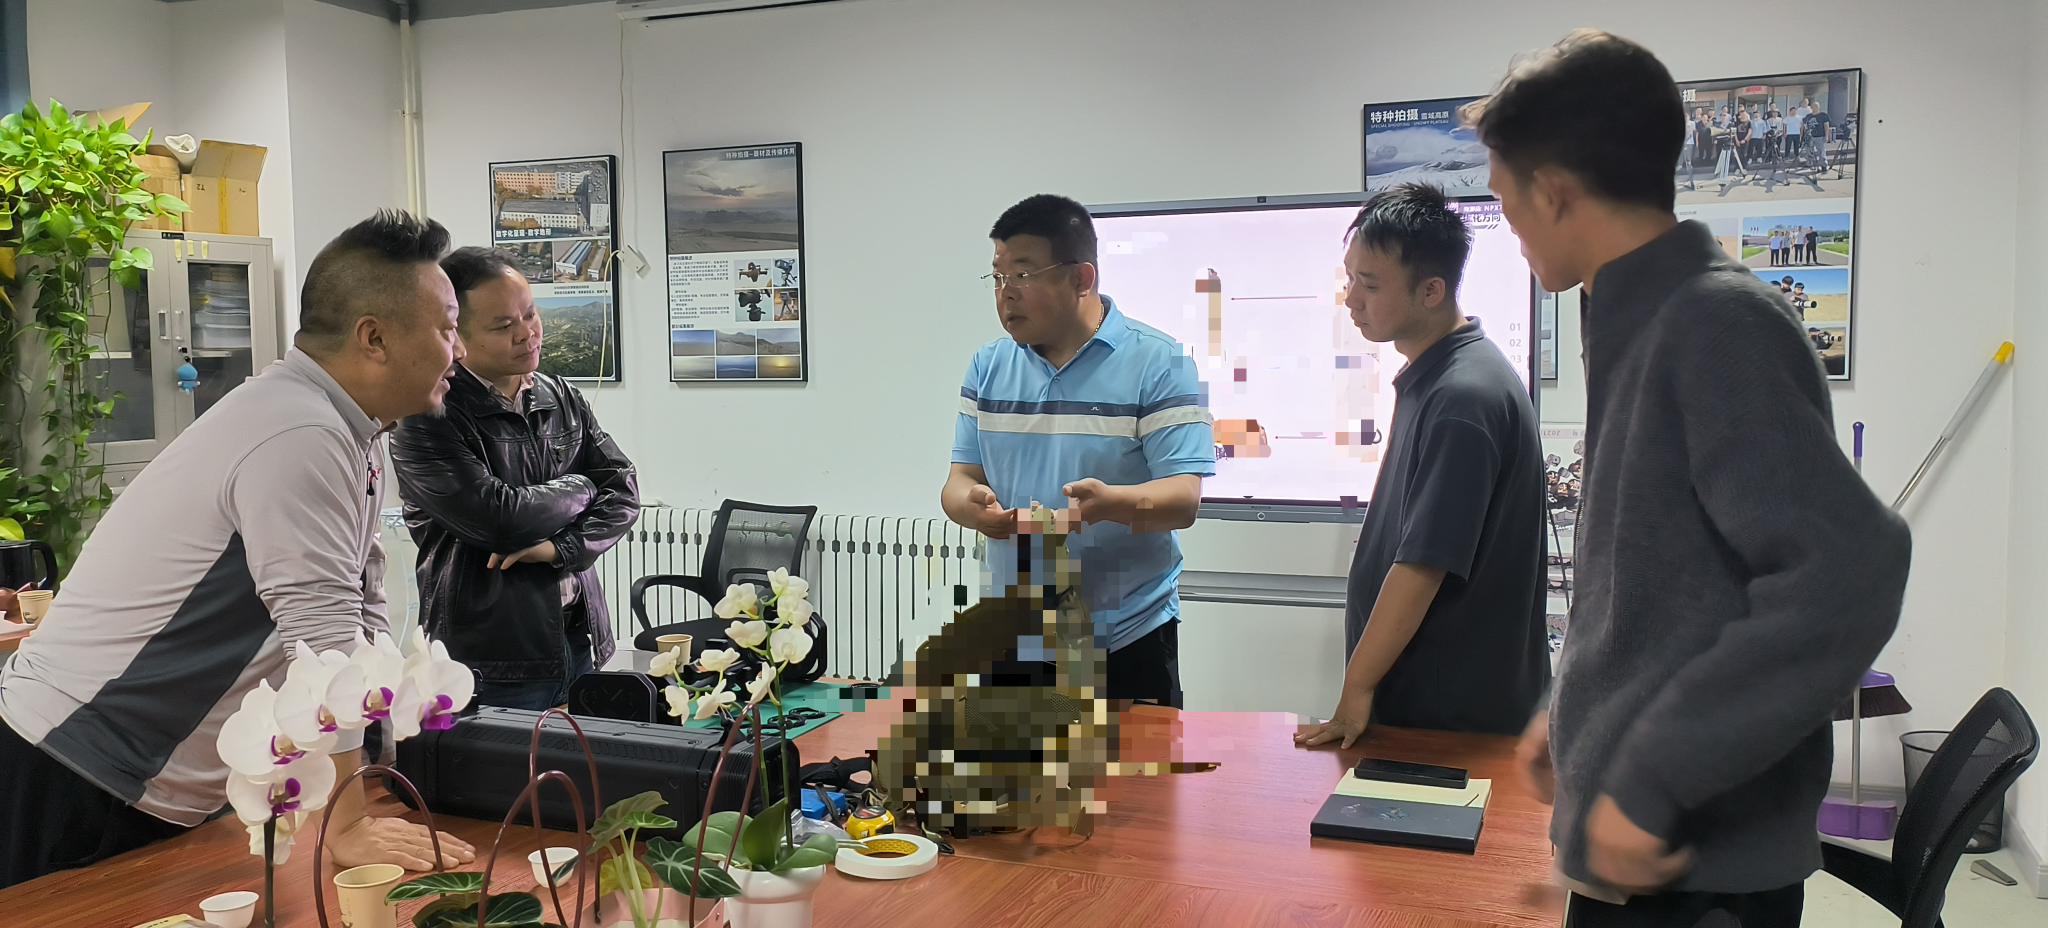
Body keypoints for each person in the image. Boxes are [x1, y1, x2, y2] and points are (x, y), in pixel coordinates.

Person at [1468, 30, 1910, 926]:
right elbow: (1661, 584)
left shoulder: (1714, 324)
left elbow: (1849, 572)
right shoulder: (1634, 316)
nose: (1508, 230)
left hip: (1697, 871)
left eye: (1506, 204)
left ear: (1553, 193)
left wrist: (1651, 775)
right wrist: (1577, 716)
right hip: (1640, 853)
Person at [0, 211, 480, 888]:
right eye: (448, 328)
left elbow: (363, 617)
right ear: (373, 337)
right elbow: (323, 637)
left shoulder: (351, 434)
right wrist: (347, 825)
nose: (459, 351)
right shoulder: (299, 432)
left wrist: (375, 775)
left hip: (142, 774)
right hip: (77, 761)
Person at [1293, 183, 1548, 747]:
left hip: (1449, 718)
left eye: (1370, 284)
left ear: (1432, 290)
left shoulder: (1463, 396)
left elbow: (1423, 565)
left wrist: (1356, 686)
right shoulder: (1439, 376)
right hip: (1431, 702)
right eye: (1350, 279)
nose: (1351, 300)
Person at [942, 194, 1214, 708]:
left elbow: (1183, 500)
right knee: (1012, 763)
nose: (1005, 293)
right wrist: (971, 508)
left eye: (1023, 275)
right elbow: (959, 480)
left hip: (1126, 637)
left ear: (1081, 278)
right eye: (997, 277)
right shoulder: (987, 367)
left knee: (1135, 765)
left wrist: (1109, 504)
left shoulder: (1161, 362)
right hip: (1014, 634)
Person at [392, 247, 640, 711]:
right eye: (504, 325)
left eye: (530, 314)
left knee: (586, 758)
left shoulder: (560, 396)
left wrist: (560, 549)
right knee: (508, 762)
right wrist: (583, 486)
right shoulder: (427, 416)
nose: (527, 333)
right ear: (456, 335)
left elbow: (624, 489)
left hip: (579, 639)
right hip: (491, 659)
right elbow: (498, 517)